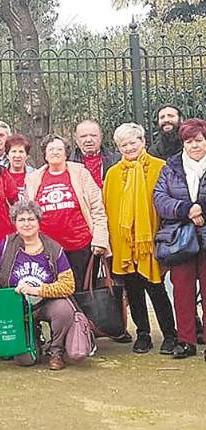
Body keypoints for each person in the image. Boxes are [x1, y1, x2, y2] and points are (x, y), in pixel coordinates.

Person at [0, 200, 77, 370]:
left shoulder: (53, 248)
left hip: (45, 303)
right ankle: (33, 335)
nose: (26, 224)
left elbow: (68, 285)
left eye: (31, 219)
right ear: (15, 223)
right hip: (16, 309)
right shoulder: (6, 244)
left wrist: (38, 290)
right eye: (21, 220)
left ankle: (56, 350)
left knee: (64, 310)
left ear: (38, 222)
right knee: (25, 360)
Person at [104, 123, 177, 354]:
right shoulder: (113, 173)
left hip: (151, 241)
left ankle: (169, 334)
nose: (129, 147)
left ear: (143, 141)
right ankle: (143, 334)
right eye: (123, 144)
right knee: (133, 291)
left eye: (133, 142)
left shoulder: (159, 167)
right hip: (125, 244)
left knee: (156, 288)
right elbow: (108, 208)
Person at [25, 135, 110, 290]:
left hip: (81, 246)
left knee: (81, 292)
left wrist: (100, 240)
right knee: (52, 292)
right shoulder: (34, 179)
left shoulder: (81, 174)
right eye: (51, 149)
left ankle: (81, 316)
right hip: (48, 249)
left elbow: (97, 208)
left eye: (59, 149)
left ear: (66, 153)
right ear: (45, 154)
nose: (55, 152)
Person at [154, 118, 206, 359]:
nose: (194, 145)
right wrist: (186, 209)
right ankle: (186, 340)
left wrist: (201, 210)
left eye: (199, 140)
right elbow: (159, 198)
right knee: (182, 291)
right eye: (189, 141)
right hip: (179, 238)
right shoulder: (171, 166)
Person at [69, 120, 120, 188]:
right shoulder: (68, 162)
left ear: (101, 137)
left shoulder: (116, 159)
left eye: (93, 135)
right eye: (83, 136)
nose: (88, 140)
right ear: (76, 139)